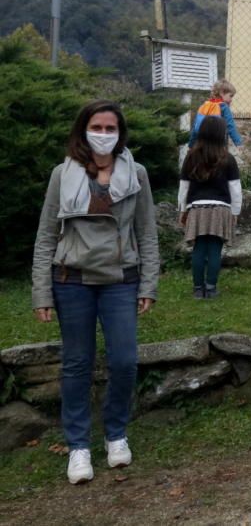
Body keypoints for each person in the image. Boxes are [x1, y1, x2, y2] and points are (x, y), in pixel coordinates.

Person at [31, 100, 159, 485]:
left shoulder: (135, 174)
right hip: (71, 280)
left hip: (121, 278)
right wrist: (41, 291)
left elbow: (147, 232)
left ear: (120, 134)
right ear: (82, 129)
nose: (103, 134)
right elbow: (46, 235)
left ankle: (116, 434)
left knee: (123, 361)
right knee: (76, 364)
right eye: (96, 127)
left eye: (110, 128)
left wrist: (149, 282)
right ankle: (78, 446)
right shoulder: (62, 174)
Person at [179, 116, 242, 299]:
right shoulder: (228, 158)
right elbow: (235, 189)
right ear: (222, 134)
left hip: (196, 208)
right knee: (215, 249)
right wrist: (235, 211)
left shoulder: (190, 157)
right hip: (221, 208)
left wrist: (183, 210)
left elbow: (184, 187)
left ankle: (198, 289)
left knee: (199, 248)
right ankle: (211, 287)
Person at [188, 80, 242, 148]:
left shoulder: (204, 106)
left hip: (201, 145)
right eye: (230, 96)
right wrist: (238, 142)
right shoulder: (223, 107)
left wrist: (191, 144)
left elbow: (195, 127)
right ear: (222, 93)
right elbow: (230, 126)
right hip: (217, 145)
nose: (231, 99)